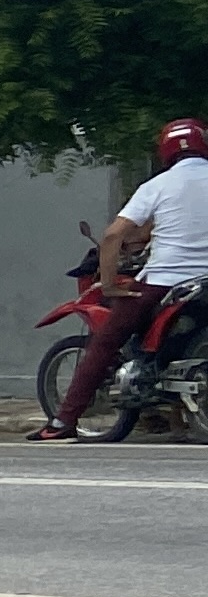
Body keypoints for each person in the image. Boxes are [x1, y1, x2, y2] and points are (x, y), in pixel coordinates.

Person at [34, 115, 208, 440]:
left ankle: (63, 421)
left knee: (105, 342)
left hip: (165, 281)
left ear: (166, 150)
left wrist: (111, 283)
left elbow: (114, 235)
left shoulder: (157, 186)